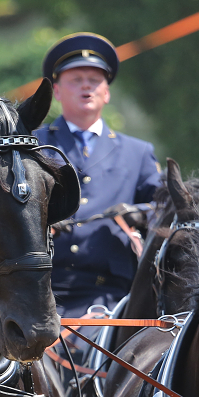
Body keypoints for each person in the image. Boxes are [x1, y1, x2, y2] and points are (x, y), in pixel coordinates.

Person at [34, 32, 162, 319]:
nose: (86, 87)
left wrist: (138, 214)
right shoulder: (33, 144)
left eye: (94, 80)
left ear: (107, 91)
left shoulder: (137, 152)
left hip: (111, 293)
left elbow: (165, 207)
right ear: (56, 91)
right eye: (76, 80)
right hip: (40, 288)